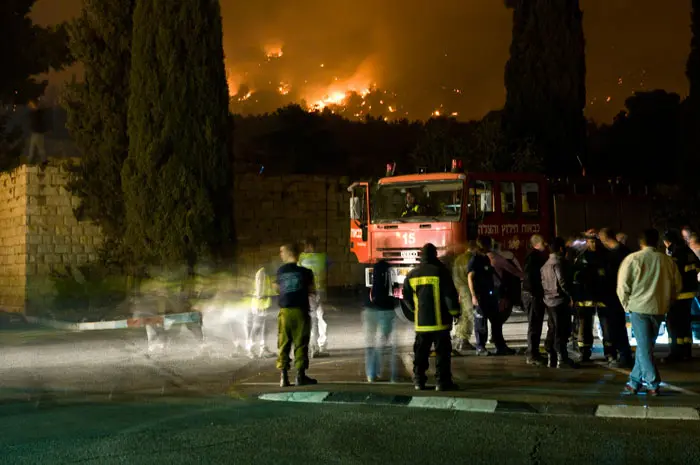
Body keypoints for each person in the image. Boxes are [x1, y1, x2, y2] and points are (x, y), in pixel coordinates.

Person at [618, 229, 682, 396]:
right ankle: (634, 382)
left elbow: (623, 286)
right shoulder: (667, 261)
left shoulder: (632, 259)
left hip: (638, 308)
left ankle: (652, 383)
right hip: (659, 308)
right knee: (645, 347)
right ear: (658, 242)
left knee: (644, 347)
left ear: (641, 243)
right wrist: (669, 301)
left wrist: (626, 305)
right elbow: (678, 286)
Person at [402, 243, 460, 391]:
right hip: (441, 324)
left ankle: (419, 381)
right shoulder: (441, 272)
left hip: (421, 324)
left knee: (420, 353)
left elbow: (406, 297)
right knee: (442, 354)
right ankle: (442, 382)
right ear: (435, 255)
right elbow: (449, 296)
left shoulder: (411, 274)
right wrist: (455, 312)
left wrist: (416, 310)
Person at [276, 243, 317, 387]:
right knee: (301, 343)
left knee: (284, 343)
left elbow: (277, 289)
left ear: (288, 253)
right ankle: (300, 376)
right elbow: (312, 291)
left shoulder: (280, 271)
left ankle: (284, 377)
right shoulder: (306, 272)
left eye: (282, 252)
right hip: (300, 311)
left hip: (285, 312)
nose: (280, 254)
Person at [468, 236, 515, 356]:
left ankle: (500, 346)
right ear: (484, 245)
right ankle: (480, 347)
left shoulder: (485, 259)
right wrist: (473, 296)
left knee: (496, 321)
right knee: (481, 322)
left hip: (490, 294)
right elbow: (470, 277)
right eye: (489, 244)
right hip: (480, 295)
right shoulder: (475, 259)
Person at [598, 228, 634, 368]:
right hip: (622, 294)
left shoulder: (612, 255)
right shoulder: (626, 252)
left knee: (617, 326)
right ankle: (624, 354)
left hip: (614, 296)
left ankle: (624, 355)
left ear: (605, 239)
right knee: (618, 325)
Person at [662, 230, 700, 362]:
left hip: (678, 294)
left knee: (673, 324)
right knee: (685, 323)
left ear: (667, 242)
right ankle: (686, 351)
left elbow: (671, 275)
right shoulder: (689, 252)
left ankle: (675, 352)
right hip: (690, 293)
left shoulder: (674, 254)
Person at [541, 237, 578, 369]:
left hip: (548, 300)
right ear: (561, 249)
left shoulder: (545, 265)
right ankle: (562, 357)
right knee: (562, 329)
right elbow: (562, 281)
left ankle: (552, 356)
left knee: (552, 328)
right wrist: (570, 295)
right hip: (560, 300)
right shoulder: (559, 263)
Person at [572, 233, 608, 362]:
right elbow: (576, 278)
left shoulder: (605, 256)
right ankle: (584, 351)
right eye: (590, 242)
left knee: (606, 325)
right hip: (585, 297)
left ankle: (610, 352)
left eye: (594, 242)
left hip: (603, 296)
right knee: (584, 326)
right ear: (586, 242)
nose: (593, 244)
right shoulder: (581, 258)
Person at [363, 259, 398, 383]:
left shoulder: (373, 274)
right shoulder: (390, 270)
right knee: (382, 342)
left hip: (369, 309)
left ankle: (371, 374)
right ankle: (393, 376)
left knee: (370, 343)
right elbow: (394, 288)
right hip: (385, 310)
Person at [299, 237, 329, 357]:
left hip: (317, 291)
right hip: (312, 291)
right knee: (317, 318)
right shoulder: (303, 257)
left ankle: (318, 346)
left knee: (320, 318)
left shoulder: (322, 257)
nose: (308, 248)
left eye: (309, 245)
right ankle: (316, 346)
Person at [522, 234, 549, 366]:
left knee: (535, 324)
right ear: (537, 244)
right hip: (533, 295)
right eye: (544, 243)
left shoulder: (532, 256)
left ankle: (533, 352)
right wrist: (535, 292)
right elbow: (532, 277)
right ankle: (532, 354)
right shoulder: (534, 257)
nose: (546, 245)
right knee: (534, 324)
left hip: (532, 294)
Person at [245, 264, 276, 359]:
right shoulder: (261, 272)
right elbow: (259, 286)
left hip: (264, 303)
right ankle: (251, 349)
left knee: (264, 326)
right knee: (257, 327)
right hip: (260, 303)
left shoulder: (265, 273)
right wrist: (260, 296)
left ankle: (263, 348)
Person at [451, 241, 477, 352]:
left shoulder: (458, 259)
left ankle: (459, 338)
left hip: (460, 288)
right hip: (468, 288)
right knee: (470, 315)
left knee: (464, 315)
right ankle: (463, 340)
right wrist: (474, 294)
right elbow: (472, 277)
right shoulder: (471, 259)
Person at [27, 100, 48, 168]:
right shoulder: (37, 113)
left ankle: (42, 161)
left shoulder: (37, 113)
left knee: (35, 148)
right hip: (37, 133)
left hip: (37, 133)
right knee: (35, 148)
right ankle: (43, 161)